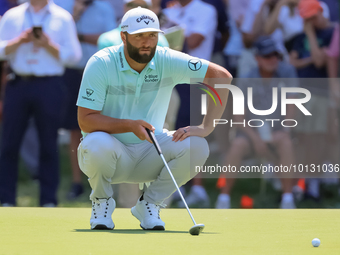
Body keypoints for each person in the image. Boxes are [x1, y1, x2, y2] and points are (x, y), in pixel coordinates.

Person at [76, 7, 231, 230]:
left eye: (152, 35)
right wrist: (129, 125)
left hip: (151, 150)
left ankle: (149, 204)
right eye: (139, 36)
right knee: (96, 142)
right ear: (123, 36)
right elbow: (85, 120)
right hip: (109, 153)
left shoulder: (166, 59)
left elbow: (221, 76)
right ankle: (101, 201)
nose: (147, 42)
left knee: (198, 145)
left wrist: (206, 127)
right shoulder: (101, 63)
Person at [0, 0, 82, 207]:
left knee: (48, 143)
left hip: (49, 85)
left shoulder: (62, 17)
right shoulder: (13, 15)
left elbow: (74, 56)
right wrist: (19, 41)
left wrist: (48, 44)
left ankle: (48, 200)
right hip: (18, 83)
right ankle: (7, 199)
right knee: (9, 144)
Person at [216, 36, 298, 209]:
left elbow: (292, 106)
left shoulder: (287, 72)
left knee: (286, 142)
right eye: (268, 56)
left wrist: (285, 130)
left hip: (277, 131)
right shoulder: (246, 79)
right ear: (257, 58)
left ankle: (288, 198)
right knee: (237, 145)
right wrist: (257, 140)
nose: (273, 59)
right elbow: (238, 118)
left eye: (276, 55)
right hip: (250, 134)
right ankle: (223, 198)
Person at [55, 0, 116, 200]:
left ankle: (104, 180)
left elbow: (108, 39)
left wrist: (77, 36)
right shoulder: (62, 8)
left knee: (103, 126)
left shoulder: (104, 9)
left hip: (101, 74)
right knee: (75, 128)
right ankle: (76, 182)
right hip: (72, 74)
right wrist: (75, 16)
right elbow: (56, 39)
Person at [290, 0, 336, 200]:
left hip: (320, 93)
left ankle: (314, 184)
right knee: (300, 138)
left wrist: (310, 34)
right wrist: (310, 57)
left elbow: (319, 61)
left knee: (316, 140)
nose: (308, 21)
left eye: (312, 16)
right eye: (306, 18)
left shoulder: (332, 33)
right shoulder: (299, 37)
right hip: (299, 93)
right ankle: (302, 184)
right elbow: (293, 62)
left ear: (320, 12)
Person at [98, 0, 169, 51]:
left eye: (142, 6)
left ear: (150, 8)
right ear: (124, 7)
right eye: (132, 5)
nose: (137, 9)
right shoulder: (107, 39)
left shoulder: (160, 40)